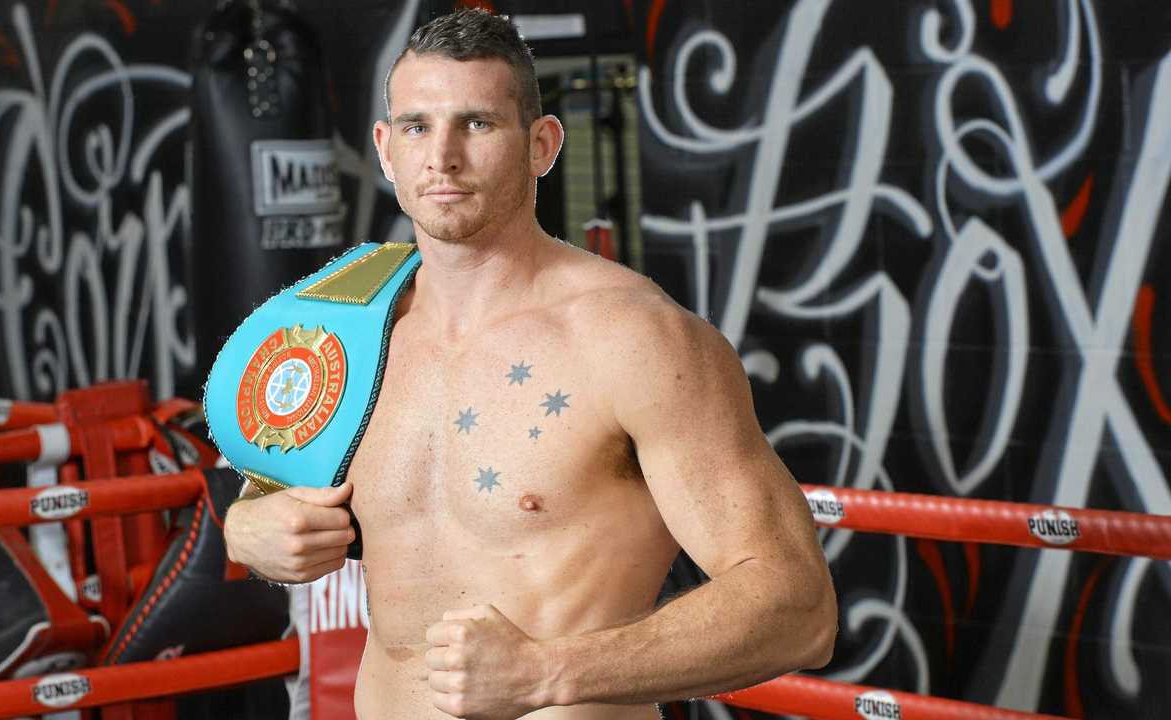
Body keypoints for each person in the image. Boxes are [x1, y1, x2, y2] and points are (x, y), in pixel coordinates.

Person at [224, 9, 837, 719]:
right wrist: (249, 531)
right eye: (418, 127)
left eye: (477, 124)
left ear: (542, 145)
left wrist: (548, 673)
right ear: (386, 149)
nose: (443, 156)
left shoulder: (634, 340)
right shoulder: (352, 327)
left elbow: (798, 603)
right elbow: (265, 490)